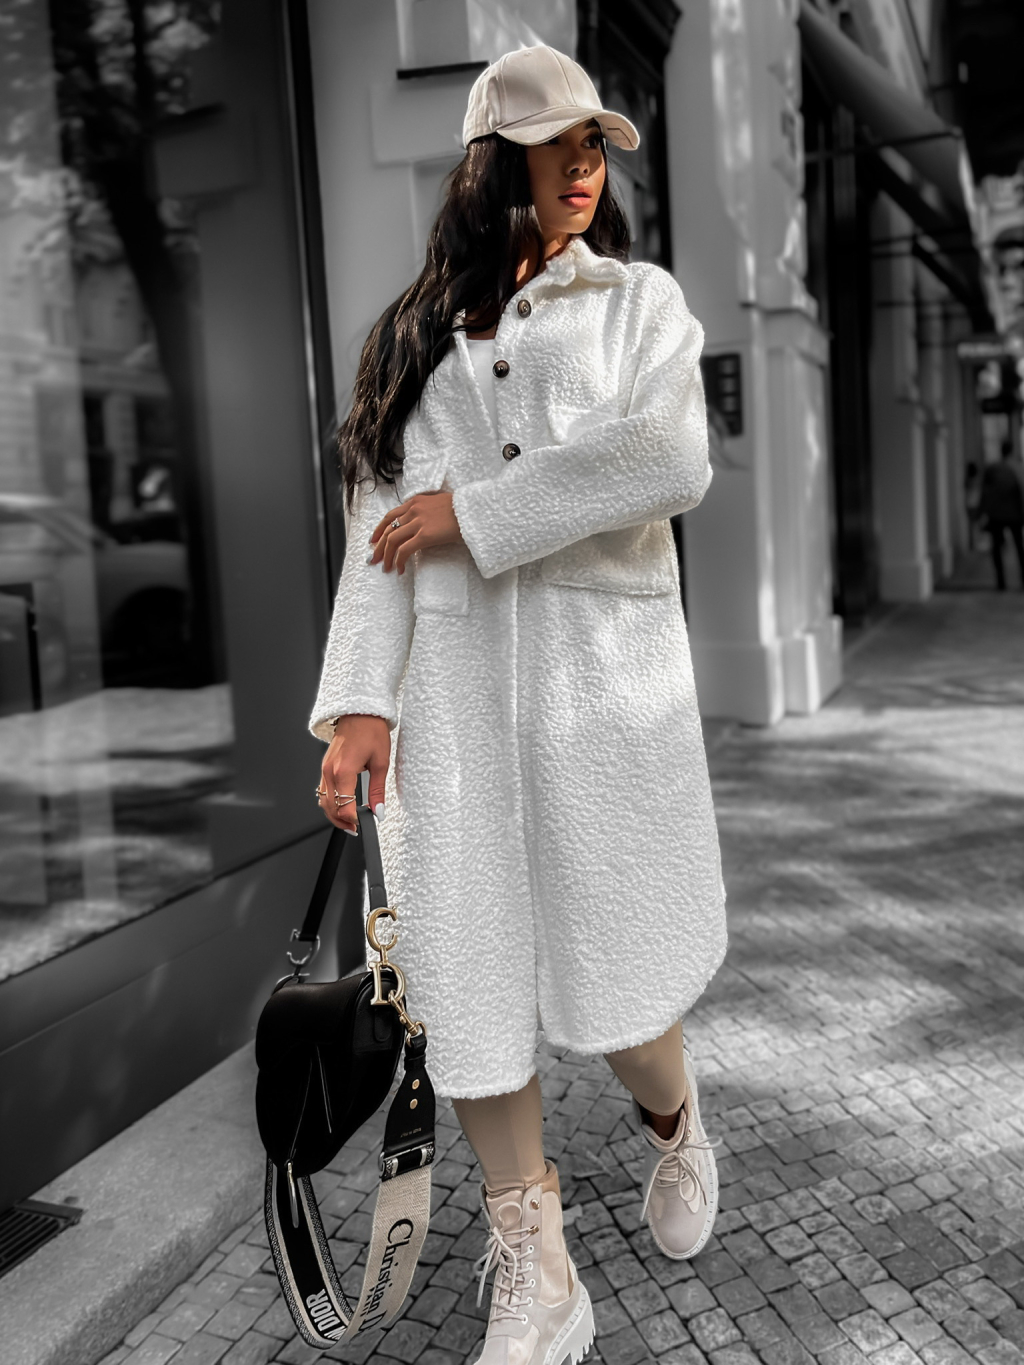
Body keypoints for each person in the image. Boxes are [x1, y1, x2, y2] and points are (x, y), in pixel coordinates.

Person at [310, 46, 727, 1365]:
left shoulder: (638, 303)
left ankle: (674, 1119)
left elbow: (670, 456)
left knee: (627, 997)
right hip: (453, 708)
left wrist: (476, 513)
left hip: (603, 704)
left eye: (594, 146)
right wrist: (359, 707)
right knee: (471, 989)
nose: (583, 168)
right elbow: (380, 532)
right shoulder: (413, 340)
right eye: (559, 147)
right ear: (496, 167)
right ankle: (536, 1268)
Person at [979, 440, 1024, 590]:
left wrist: (981, 512)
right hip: (1015, 514)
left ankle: (1001, 582)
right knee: (1019, 548)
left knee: (997, 549)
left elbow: (985, 492)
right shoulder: (1018, 467)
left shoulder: (992, 468)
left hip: (996, 514)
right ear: (1012, 451)